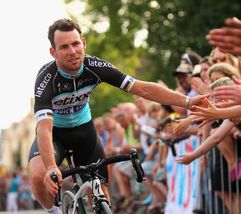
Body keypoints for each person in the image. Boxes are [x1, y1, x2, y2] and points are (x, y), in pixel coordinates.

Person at [28, 18, 206, 214]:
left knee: (100, 191)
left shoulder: (95, 67)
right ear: (53, 52)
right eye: (64, 47)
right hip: (55, 134)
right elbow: (44, 128)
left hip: (83, 131)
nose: (72, 51)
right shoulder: (46, 79)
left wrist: (188, 101)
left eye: (76, 44)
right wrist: (52, 167)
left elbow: (143, 89)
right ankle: (53, 212)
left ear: (84, 43)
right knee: (38, 175)